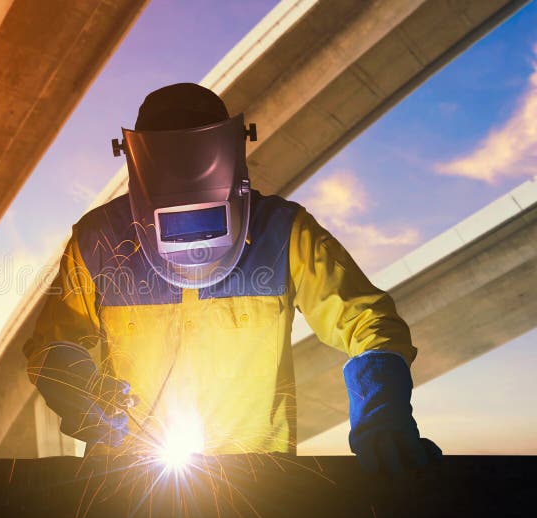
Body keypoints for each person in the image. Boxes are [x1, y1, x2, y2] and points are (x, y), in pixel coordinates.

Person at [25, 83, 440, 476]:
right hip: (125, 485)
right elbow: (53, 344)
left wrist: (383, 411)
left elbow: (370, 324)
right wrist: (83, 393)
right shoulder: (99, 240)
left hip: (258, 487)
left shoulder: (284, 231)